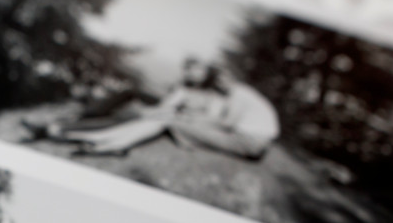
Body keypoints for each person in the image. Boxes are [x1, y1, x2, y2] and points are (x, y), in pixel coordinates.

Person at [24, 59, 279, 160]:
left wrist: (173, 113)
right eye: (191, 69)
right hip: (173, 115)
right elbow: (194, 111)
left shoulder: (223, 96)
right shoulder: (202, 91)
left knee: (138, 118)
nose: (221, 83)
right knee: (134, 114)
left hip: (183, 120)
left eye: (199, 70)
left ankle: (67, 131)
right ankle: (71, 131)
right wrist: (170, 111)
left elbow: (217, 120)